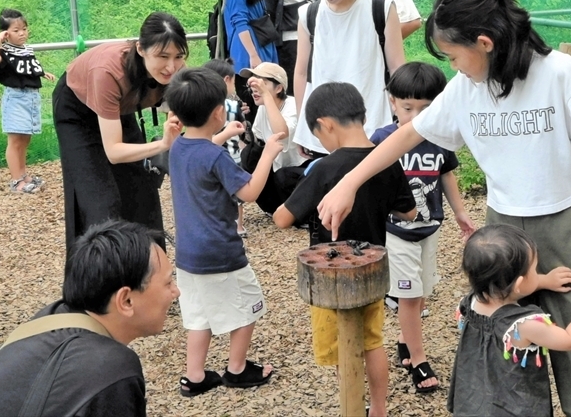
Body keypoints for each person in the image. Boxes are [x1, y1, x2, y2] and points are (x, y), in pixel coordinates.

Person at [317, 0, 571, 416]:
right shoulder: (466, 88)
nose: (453, 66)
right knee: (502, 348)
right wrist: (348, 181)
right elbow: (408, 134)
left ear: (484, 42)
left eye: (453, 56)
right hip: (501, 229)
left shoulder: (559, 73)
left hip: (567, 222)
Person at [273, 82, 416, 417]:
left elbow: (282, 218)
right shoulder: (386, 162)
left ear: (326, 125)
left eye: (318, 136)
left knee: (343, 348)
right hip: (372, 270)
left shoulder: (325, 168)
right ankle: (378, 410)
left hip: (331, 277)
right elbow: (408, 212)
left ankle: (353, 406)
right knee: (373, 340)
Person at [0, 220, 180, 417]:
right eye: (169, 282)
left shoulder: (50, 320)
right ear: (126, 301)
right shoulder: (109, 369)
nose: (176, 291)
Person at [165, 67, 283, 398]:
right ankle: (237, 369)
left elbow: (199, 152)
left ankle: (194, 376)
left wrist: (223, 135)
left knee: (197, 316)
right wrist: (268, 155)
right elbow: (248, 192)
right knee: (248, 308)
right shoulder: (216, 157)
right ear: (218, 111)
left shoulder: (179, 147)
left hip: (188, 256)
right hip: (221, 253)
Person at [370, 62, 476, 394]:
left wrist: (460, 212)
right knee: (411, 296)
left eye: (426, 109)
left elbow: (446, 174)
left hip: (430, 227)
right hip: (396, 231)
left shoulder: (439, 139)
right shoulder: (383, 139)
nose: (416, 115)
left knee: (423, 289)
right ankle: (418, 359)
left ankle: (405, 340)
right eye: (407, 107)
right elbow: (371, 181)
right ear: (392, 103)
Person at [52, 12, 186, 250]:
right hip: (77, 112)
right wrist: (163, 144)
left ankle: (149, 274)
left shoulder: (174, 71)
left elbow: (174, 110)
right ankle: (100, 280)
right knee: (100, 203)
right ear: (141, 49)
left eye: (178, 56)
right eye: (163, 56)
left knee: (142, 193)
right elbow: (113, 151)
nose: (171, 66)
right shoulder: (108, 72)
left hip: (120, 109)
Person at [450, 224, 571, 416]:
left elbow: (507, 290)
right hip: (514, 409)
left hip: (473, 403)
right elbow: (569, 339)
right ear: (518, 283)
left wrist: (543, 281)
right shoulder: (524, 325)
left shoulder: (469, 304)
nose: (537, 273)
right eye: (535, 270)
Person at [293, 0, 405, 155]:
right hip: (325, 132)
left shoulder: (380, 9)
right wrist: (303, 127)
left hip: (373, 128)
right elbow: (300, 73)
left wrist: (402, 117)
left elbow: (398, 68)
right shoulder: (309, 15)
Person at [0, 8, 56, 193]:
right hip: (16, 97)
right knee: (15, 140)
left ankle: (23, 175)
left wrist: (42, 73)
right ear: (6, 33)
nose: (22, 33)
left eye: (24, 29)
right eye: (16, 30)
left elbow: (27, 67)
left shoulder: (24, 50)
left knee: (25, 139)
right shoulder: (3, 51)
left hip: (31, 97)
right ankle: (16, 181)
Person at [239, 62, 309, 214]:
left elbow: (281, 134)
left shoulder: (292, 107)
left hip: (301, 171)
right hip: (279, 169)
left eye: (262, 83)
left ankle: (302, 215)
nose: (255, 89)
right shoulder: (263, 107)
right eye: (254, 83)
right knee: (249, 157)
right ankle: (275, 209)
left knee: (283, 177)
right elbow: (255, 143)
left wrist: (265, 96)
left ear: (279, 88)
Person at [224, 0, 279, 117]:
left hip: (262, 41)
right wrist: (253, 55)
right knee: (251, 101)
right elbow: (239, 20)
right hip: (247, 48)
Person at [203, 59, 249, 236]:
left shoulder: (202, 106)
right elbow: (243, 128)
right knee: (237, 194)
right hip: (233, 156)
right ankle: (238, 226)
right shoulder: (233, 105)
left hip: (210, 157)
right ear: (226, 80)